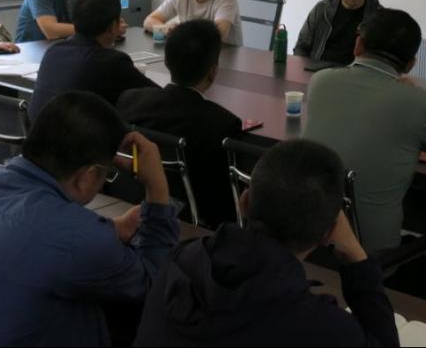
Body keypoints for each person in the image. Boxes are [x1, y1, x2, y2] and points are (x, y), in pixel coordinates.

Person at [0, 91, 180, 347]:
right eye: (106, 174)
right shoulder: (75, 237)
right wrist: (157, 189)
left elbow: (32, 240)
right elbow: (152, 284)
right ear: (88, 176)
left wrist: (111, 229)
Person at [134, 139, 399, 347]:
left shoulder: (180, 259)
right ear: (329, 233)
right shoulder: (317, 325)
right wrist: (356, 258)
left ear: (244, 201)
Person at [303, 8, 426, 253]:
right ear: (410, 65)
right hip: (370, 254)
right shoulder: (419, 102)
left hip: (309, 238)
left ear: (358, 45)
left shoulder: (320, 80)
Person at [118, 19, 243, 228]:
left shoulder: (129, 101)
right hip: (193, 223)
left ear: (166, 62)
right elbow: (223, 200)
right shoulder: (221, 123)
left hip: (131, 205)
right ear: (213, 71)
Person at [30, 0, 157, 121]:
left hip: (38, 132)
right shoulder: (111, 62)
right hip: (77, 134)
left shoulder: (53, 51)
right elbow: (158, 96)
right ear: (113, 26)